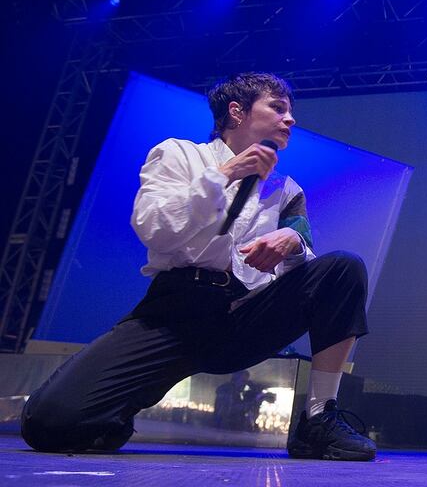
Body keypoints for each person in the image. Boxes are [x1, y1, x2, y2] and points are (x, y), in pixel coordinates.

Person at [21, 72, 376, 461]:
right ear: (236, 112)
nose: (289, 119)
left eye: (290, 112)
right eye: (277, 108)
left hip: (243, 315)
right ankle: (114, 412)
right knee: (47, 424)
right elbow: (154, 228)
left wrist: (292, 242)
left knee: (343, 269)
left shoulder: (286, 189)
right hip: (174, 314)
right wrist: (226, 174)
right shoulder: (179, 155)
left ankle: (318, 419)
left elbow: (306, 268)